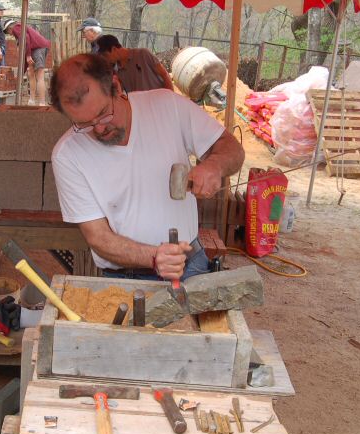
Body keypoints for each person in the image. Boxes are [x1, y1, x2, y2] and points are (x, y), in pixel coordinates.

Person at [49, 54, 244, 280]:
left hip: (191, 263)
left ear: (116, 86)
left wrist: (215, 166)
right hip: (126, 277)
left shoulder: (167, 105)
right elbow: (98, 238)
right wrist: (154, 257)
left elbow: (232, 149)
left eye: (103, 114)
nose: (99, 129)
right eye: (84, 124)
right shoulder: (67, 155)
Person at [96, 34, 173, 93]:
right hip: (140, 109)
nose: (104, 59)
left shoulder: (143, 54)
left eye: (105, 55)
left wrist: (170, 97)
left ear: (114, 49)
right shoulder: (116, 70)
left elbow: (164, 74)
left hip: (159, 104)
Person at [3, 19, 50, 105]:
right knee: (31, 73)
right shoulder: (20, 32)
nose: (10, 34)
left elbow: (26, 38)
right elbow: (24, 60)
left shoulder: (16, 27)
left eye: (8, 32)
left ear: (9, 28)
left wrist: (28, 55)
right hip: (35, 49)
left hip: (38, 48)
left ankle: (42, 103)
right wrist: (21, 75)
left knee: (39, 76)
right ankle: (31, 101)